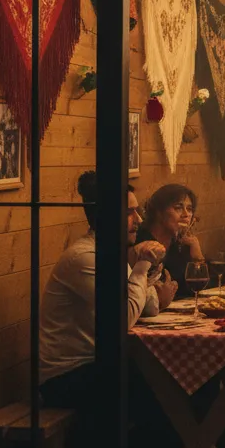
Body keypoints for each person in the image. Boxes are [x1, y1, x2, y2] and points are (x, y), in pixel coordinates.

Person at [39, 172, 177, 415]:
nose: (139, 219)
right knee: (163, 382)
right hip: (66, 376)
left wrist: (142, 276)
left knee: (174, 372)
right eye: (130, 212)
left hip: (99, 363)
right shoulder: (85, 257)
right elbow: (125, 316)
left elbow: (149, 305)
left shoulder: (109, 251)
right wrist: (143, 264)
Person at [137, 183, 205, 298]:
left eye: (189, 209)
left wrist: (197, 256)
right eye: (178, 208)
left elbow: (197, 289)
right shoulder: (141, 241)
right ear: (159, 212)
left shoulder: (181, 243)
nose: (186, 215)